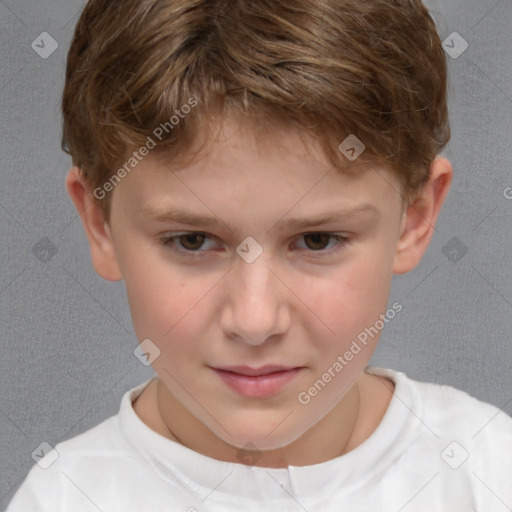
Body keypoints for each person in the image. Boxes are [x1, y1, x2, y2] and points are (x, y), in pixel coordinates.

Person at [7, 0, 512, 510]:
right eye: (193, 241)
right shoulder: (62, 499)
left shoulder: (489, 470)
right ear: (101, 224)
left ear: (415, 216)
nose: (254, 321)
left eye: (317, 240)